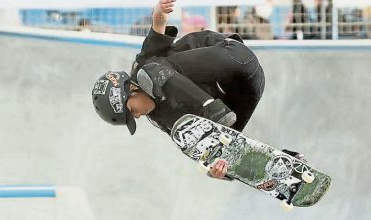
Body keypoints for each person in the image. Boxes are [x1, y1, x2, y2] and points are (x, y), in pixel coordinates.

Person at [92, 0, 301, 180]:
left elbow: (157, 30)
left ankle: (210, 108)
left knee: (150, 72)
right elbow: (193, 143)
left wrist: (159, 12)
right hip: (248, 88)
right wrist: (214, 169)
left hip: (233, 59)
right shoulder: (161, 118)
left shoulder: (143, 67)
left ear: (131, 90)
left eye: (131, 110)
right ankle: (288, 167)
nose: (136, 116)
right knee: (227, 149)